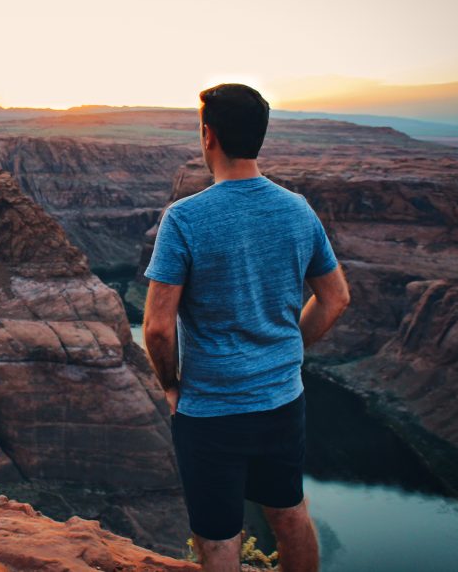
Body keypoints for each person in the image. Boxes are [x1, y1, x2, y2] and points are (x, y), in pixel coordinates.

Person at [142, 83, 350, 572]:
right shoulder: (297, 208)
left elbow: (155, 327)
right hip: (282, 399)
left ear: (208, 135)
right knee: (290, 513)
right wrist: (286, 352)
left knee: (218, 536)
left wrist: (171, 386)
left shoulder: (185, 219)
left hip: (212, 409)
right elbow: (336, 297)